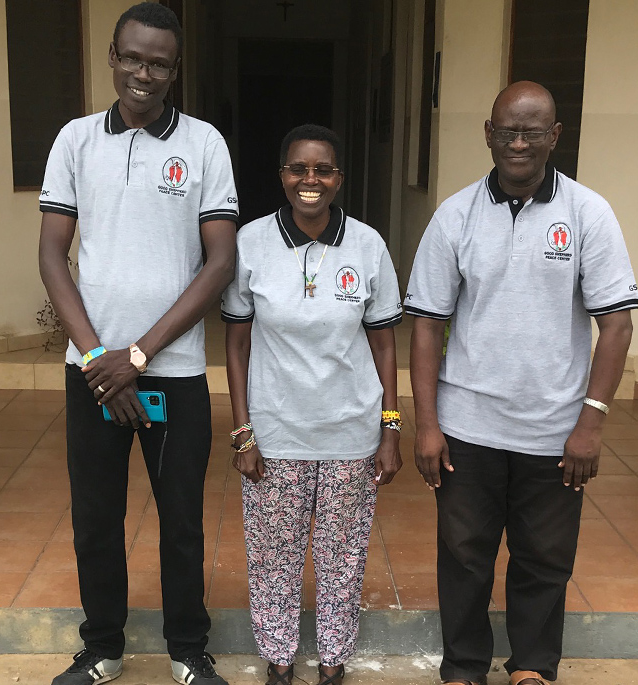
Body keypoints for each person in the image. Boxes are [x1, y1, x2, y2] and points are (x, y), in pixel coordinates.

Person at [405, 81, 636, 685]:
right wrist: (426, 424)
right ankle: (463, 669)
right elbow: (427, 325)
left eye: (532, 131)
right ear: (487, 133)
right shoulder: (454, 215)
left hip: (555, 429)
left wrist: (591, 422)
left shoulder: (589, 214)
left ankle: (531, 666)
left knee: (545, 559)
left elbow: (615, 324)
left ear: (555, 136)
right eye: (506, 130)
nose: (518, 142)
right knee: (463, 558)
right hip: (467, 427)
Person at [38, 5, 238, 684]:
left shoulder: (205, 145)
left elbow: (218, 265)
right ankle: (102, 647)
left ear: (175, 70)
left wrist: (140, 356)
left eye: (158, 62)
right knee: (97, 518)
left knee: (181, 518)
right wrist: (99, 358)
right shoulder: (75, 141)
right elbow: (51, 254)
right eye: (132, 57)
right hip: (92, 373)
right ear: (113, 56)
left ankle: (187, 647)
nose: (143, 73)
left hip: (172, 374)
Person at [221, 124, 404, 685]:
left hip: (350, 431)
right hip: (276, 432)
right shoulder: (250, 242)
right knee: (272, 556)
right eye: (298, 169)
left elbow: (383, 341)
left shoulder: (368, 245)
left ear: (338, 178)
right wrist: (243, 432)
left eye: (323, 170)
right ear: (281, 175)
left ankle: (332, 661)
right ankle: (279, 659)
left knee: (342, 557)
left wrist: (390, 427)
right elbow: (237, 342)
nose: (310, 181)